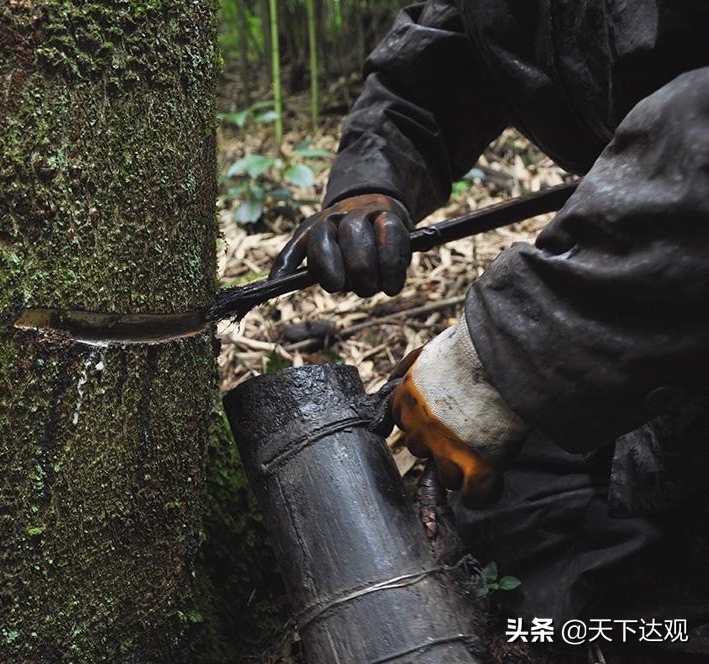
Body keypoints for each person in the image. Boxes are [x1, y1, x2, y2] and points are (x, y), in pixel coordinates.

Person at [269, 1, 709, 658]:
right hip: (668, 296)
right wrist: (373, 177)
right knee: (518, 495)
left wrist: (511, 353)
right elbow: (447, 41)